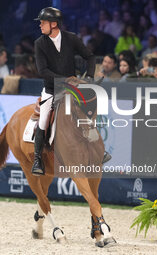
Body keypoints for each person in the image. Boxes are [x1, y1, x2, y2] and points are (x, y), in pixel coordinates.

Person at [32, 7, 110, 176]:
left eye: (43, 22)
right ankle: (37, 158)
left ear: (54, 24)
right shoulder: (39, 43)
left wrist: (89, 78)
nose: (40, 25)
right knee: (44, 118)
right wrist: (65, 80)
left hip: (73, 89)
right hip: (52, 89)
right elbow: (43, 70)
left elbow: (90, 57)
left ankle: (99, 151)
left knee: (87, 114)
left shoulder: (71, 38)